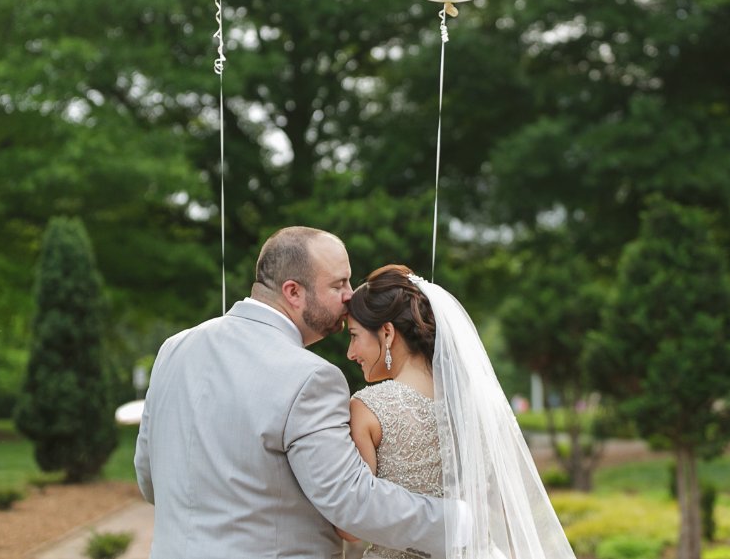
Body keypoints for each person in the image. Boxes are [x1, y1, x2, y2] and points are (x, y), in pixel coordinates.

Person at [134, 228, 453, 559]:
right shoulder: (310, 377)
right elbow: (351, 502)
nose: (349, 296)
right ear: (293, 292)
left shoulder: (173, 349)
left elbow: (148, 478)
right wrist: (460, 521)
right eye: (338, 284)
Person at [344, 265, 576, 559]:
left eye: (354, 336)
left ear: (387, 333)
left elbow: (351, 525)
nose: (351, 353)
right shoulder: (479, 404)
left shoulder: (368, 409)